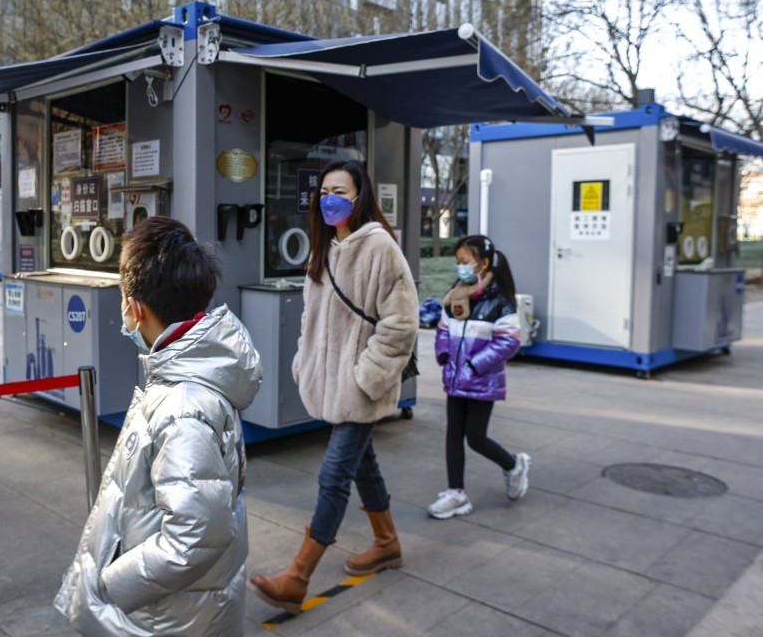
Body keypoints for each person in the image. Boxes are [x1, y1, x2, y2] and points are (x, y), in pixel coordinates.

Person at [54, 217, 263, 636]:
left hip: (167, 618)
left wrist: (110, 584)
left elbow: (194, 537)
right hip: (180, 609)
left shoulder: (183, 406)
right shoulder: (186, 378)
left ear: (137, 308)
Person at [248, 160, 419, 614]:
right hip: (331, 383)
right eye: (324, 191)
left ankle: (297, 577)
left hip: (361, 386)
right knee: (363, 466)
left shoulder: (380, 247)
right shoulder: (322, 249)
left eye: (340, 190)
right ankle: (387, 542)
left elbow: (401, 322)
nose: (330, 199)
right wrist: (305, 363)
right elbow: (310, 318)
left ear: (359, 197)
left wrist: (368, 375)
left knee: (333, 475)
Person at [428, 234, 530, 520]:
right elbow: (443, 329)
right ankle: (456, 493)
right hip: (454, 379)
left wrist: (473, 366)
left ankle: (513, 465)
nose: (460, 267)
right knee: (452, 435)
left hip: (482, 380)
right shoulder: (455, 294)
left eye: (465, 262)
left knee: (475, 438)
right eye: (457, 262)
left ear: (483, 264)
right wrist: (444, 355)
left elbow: (509, 341)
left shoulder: (498, 300)